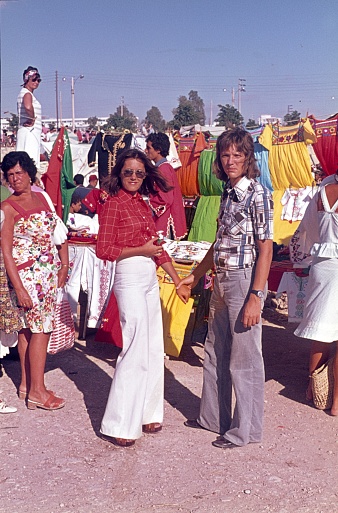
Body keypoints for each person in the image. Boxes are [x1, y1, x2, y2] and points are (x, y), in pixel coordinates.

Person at [177, 128, 274, 449]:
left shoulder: (257, 194)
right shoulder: (227, 193)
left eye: (237, 155)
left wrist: (256, 297)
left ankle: (244, 431)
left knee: (244, 358)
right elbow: (218, 243)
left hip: (244, 280)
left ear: (248, 159)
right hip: (220, 279)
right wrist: (194, 276)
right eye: (225, 155)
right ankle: (212, 419)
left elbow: (266, 248)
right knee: (215, 351)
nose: (230, 161)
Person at [96, 148, 190, 447]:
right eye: (128, 172)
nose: (134, 177)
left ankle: (149, 413)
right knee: (135, 347)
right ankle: (120, 424)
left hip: (149, 276)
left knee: (152, 347)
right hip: (129, 276)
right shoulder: (113, 205)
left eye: (139, 172)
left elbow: (157, 248)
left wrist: (177, 281)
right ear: (119, 174)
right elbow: (104, 249)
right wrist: (142, 251)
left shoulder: (142, 204)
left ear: (145, 175)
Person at [1, 151, 69, 411]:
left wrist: (63, 264)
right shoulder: (7, 207)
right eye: (10, 175)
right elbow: (5, 250)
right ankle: (38, 393)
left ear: (29, 172)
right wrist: (18, 288)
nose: (16, 179)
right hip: (28, 278)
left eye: (19, 173)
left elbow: (57, 231)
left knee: (30, 330)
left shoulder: (42, 197)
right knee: (40, 330)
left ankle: (26, 386)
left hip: (48, 275)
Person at [293, 171, 338, 416]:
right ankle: (336, 404)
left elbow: (308, 229)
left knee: (320, 333)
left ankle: (314, 390)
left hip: (322, 265)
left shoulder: (324, 187)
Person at [145, 132, 187, 240]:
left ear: (158, 150)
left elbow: (166, 199)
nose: (146, 151)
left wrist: (147, 205)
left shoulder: (163, 169)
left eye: (148, 148)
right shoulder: (163, 168)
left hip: (166, 218)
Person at [16, 66, 42, 169]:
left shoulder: (24, 93)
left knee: (24, 163)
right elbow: (27, 106)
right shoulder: (27, 93)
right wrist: (32, 119)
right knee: (29, 164)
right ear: (27, 79)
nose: (37, 82)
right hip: (30, 133)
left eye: (38, 80)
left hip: (27, 132)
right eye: (34, 79)